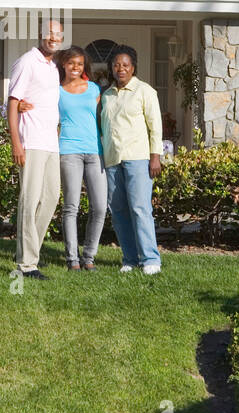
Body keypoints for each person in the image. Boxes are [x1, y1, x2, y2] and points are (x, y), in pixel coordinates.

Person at [99, 44, 164, 274]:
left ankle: (150, 259)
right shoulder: (106, 95)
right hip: (112, 160)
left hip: (138, 158)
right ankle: (129, 258)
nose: (121, 69)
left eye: (125, 65)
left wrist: (155, 156)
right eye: (116, 65)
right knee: (118, 211)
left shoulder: (145, 92)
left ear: (133, 67)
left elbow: (155, 126)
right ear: (111, 68)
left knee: (140, 208)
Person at [6, 19, 63, 279]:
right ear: (41, 35)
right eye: (50, 33)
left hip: (51, 143)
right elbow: (13, 102)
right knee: (29, 200)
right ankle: (27, 264)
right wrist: (16, 143)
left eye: (59, 35)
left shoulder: (53, 68)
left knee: (51, 198)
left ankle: (31, 251)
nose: (54, 38)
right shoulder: (27, 61)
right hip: (30, 142)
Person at [53, 47, 107, 270]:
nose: (75, 67)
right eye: (71, 63)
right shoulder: (56, 91)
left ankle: (89, 257)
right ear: (64, 64)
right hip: (69, 151)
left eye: (80, 64)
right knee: (71, 207)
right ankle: (72, 259)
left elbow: (104, 119)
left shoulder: (94, 89)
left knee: (100, 207)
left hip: (95, 151)